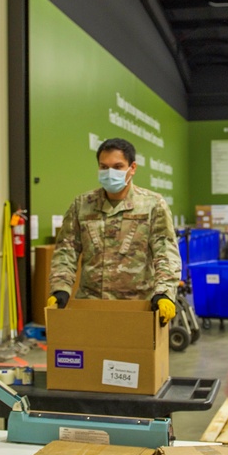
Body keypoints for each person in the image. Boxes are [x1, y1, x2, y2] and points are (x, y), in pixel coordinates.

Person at [47, 138, 182, 325]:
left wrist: (164, 293)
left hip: (139, 307)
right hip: (90, 306)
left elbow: (165, 252)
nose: (110, 173)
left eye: (118, 167)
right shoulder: (82, 205)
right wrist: (60, 288)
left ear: (132, 168)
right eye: (104, 167)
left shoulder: (152, 205)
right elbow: (66, 251)